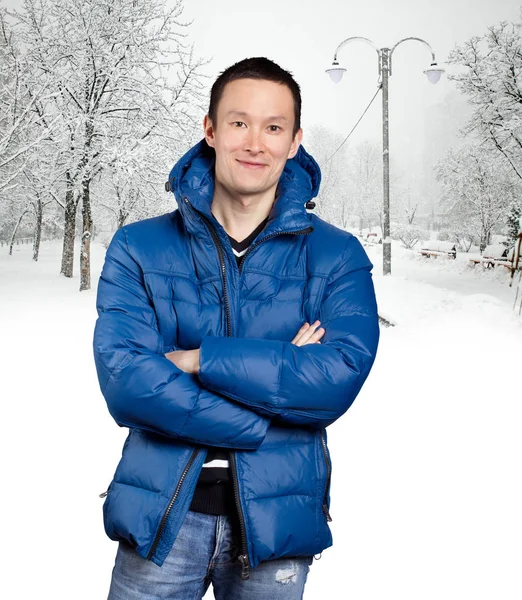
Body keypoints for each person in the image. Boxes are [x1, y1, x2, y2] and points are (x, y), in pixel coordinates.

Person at [93, 56, 380, 600]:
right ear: (211, 130)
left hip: (276, 527)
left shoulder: (338, 256)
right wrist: (275, 396)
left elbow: (334, 382)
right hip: (160, 517)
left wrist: (200, 360)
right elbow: (129, 383)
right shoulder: (137, 247)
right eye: (239, 122)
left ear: (295, 141)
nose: (256, 142)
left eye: (273, 127)